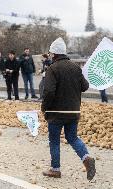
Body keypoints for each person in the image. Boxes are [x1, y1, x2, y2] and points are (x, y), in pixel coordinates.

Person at [41, 37, 96, 180]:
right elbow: (85, 86)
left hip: (56, 113)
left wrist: (44, 108)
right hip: (73, 111)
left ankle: (55, 169)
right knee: (72, 137)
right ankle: (86, 158)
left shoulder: (52, 69)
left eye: (51, 54)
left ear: (54, 54)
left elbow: (49, 92)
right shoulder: (75, 67)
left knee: (54, 140)